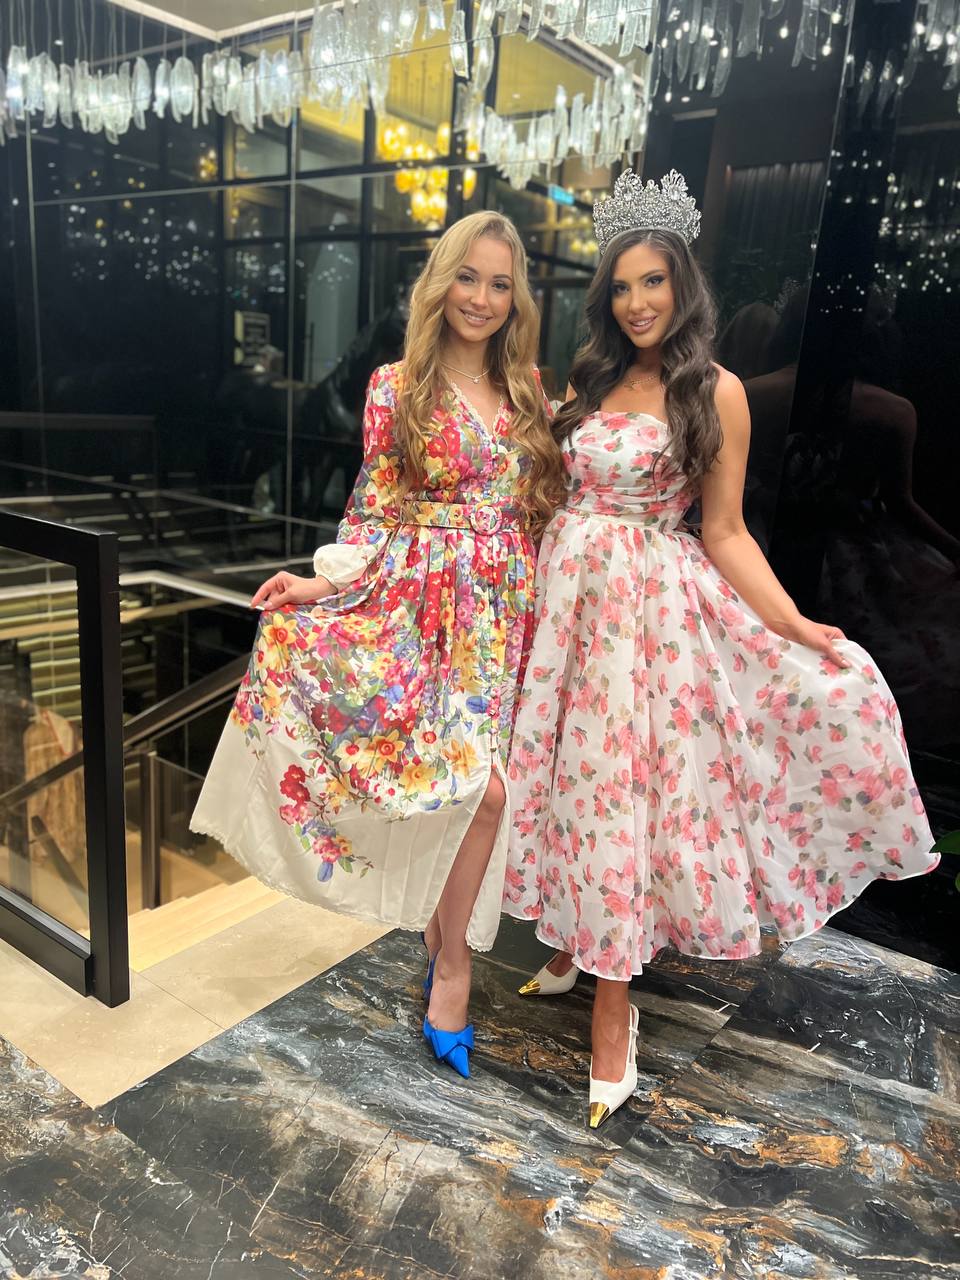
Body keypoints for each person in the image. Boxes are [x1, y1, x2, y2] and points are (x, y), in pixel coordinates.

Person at [503, 171, 939, 1128]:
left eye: (653, 282)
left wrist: (793, 625)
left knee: (620, 795)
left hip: (643, 621)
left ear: (682, 284)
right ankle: (572, 941)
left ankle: (613, 1008)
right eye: (622, 286)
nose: (637, 303)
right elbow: (553, 490)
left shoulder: (717, 391)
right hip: (566, 606)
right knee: (566, 782)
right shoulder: (588, 377)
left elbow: (727, 531)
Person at [191, 211, 565, 1079]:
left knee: (483, 793)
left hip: (499, 618)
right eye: (467, 277)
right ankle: (454, 961)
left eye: (499, 284)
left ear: (517, 299)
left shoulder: (531, 395)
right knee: (478, 793)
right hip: (415, 608)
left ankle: (446, 940)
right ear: (440, 282)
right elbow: (373, 511)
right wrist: (320, 585)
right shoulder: (398, 387)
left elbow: (539, 515)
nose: (481, 298)